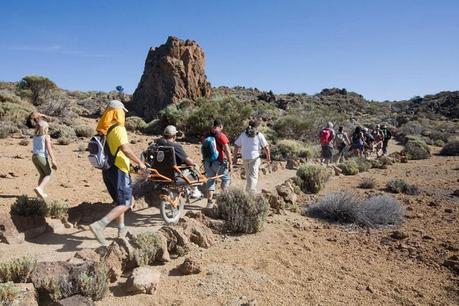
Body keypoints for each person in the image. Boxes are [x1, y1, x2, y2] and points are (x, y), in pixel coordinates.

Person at [90, 100, 146, 246]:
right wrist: (139, 163)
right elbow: (126, 149)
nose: (124, 115)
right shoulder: (118, 128)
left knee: (120, 202)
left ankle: (121, 231)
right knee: (127, 202)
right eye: (123, 112)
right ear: (118, 112)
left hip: (108, 170)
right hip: (119, 169)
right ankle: (99, 225)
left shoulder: (104, 130)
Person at [156, 125, 202, 198]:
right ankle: (195, 190)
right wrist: (193, 163)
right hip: (174, 174)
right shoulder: (175, 146)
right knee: (194, 166)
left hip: (158, 172)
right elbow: (188, 161)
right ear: (174, 136)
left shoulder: (156, 144)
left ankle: (186, 189)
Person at [234, 120, 271, 193]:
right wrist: (268, 157)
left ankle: (247, 192)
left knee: (248, 176)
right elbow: (266, 147)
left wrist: (234, 157)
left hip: (245, 158)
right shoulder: (259, 135)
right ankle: (251, 193)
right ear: (256, 126)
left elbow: (236, 146)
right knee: (253, 176)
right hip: (254, 158)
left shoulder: (243, 134)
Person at [202, 119, 232, 208]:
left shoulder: (206, 135)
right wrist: (230, 162)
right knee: (225, 179)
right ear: (220, 126)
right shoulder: (221, 135)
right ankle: (223, 201)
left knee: (210, 180)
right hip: (219, 162)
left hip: (207, 162)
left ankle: (209, 202)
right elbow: (226, 149)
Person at [32, 120, 57, 199]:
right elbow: (49, 149)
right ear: (45, 129)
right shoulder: (47, 136)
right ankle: (40, 188)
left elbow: (43, 144)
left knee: (42, 174)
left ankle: (40, 193)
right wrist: (53, 160)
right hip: (41, 157)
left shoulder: (35, 137)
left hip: (34, 157)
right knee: (48, 174)